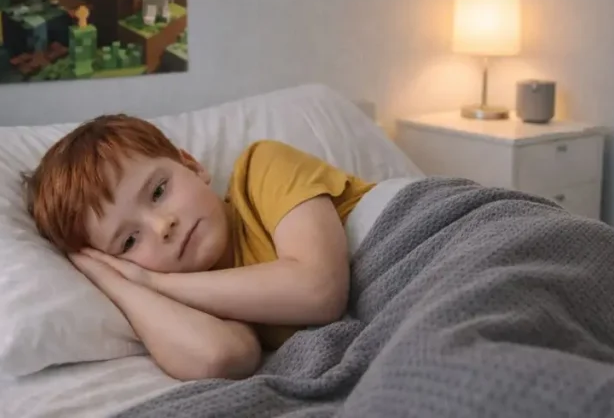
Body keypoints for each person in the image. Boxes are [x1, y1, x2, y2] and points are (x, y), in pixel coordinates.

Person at [22, 114, 375, 380]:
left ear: (191, 164)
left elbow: (319, 290)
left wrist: (153, 282)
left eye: (159, 191)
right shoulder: (203, 297)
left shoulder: (262, 168)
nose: (162, 227)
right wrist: (118, 283)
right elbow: (220, 356)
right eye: (129, 241)